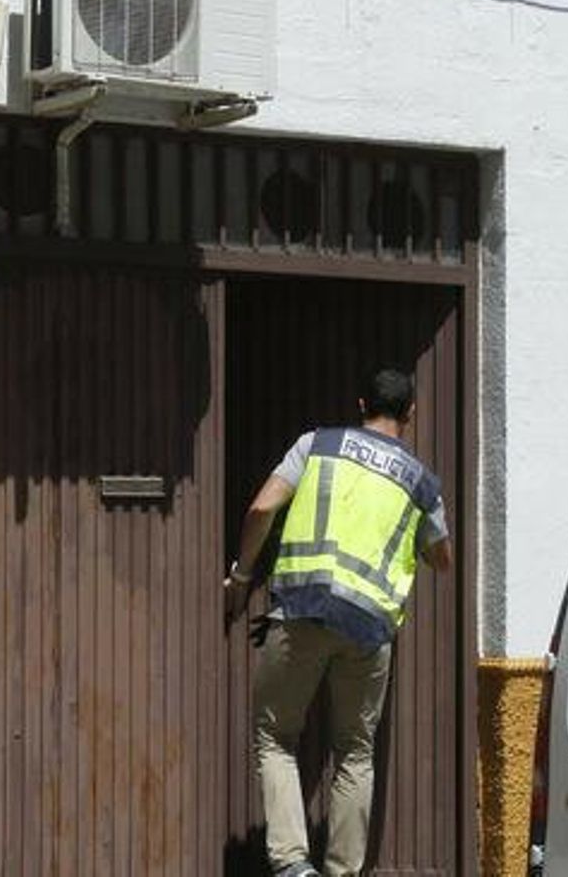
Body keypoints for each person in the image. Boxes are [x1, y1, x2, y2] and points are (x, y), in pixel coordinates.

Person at [227, 367, 453, 877]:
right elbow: (443, 560)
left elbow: (262, 507)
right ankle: (342, 872)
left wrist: (242, 576)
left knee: (275, 737)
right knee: (355, 751)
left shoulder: (316, 445)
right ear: (410, 413)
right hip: (369, 628)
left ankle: (291, 864)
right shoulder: (421, 481)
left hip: (303, 609)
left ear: (360, 405)